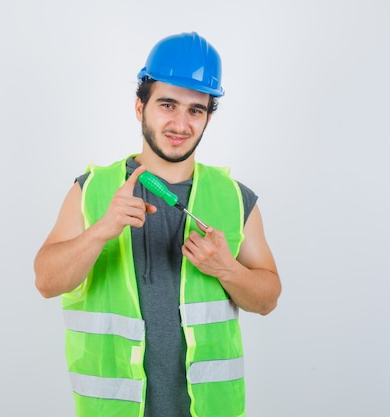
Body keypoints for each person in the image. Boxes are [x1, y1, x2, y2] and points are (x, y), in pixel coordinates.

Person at [34, 31, 281, 417]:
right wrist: (102, 229)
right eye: (168, 104)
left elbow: (268, 299)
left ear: (208, 118)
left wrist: (226, 268)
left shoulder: (234, 197)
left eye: (195, 110)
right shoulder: (93, 190)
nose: (180, 123)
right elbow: (46, 281)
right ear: (139, 107)